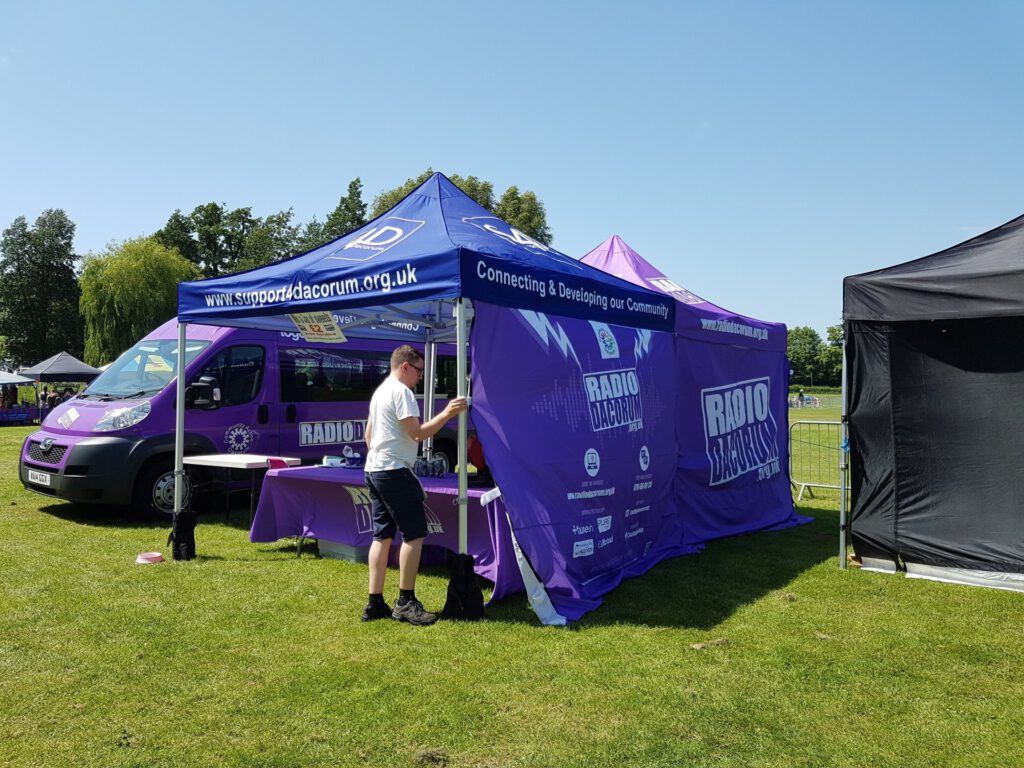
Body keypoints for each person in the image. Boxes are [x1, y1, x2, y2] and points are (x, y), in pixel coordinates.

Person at [361, 345, 468, 625]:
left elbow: (368, 436)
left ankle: (375, 603)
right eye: (420, 370)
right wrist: (447, 414)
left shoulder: (381, 390)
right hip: (394, 471)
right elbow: (418, 434)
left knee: (381, 535)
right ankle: (405, 602)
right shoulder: (402, 392)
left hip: (374, 469)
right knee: (414, 534)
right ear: (406, 366)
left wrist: (383, 453)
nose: (421, 377)